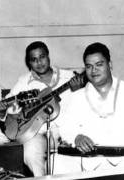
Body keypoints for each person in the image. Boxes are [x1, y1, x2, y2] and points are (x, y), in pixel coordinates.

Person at [52, 42, 124, 174]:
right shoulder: (77, 96)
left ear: (110, 65)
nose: (94, 71)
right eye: (89, 66)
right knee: (55, 162)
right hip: (90, 162)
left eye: (99, 64)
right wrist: (77, 137)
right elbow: (66, 128)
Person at [5, 41, 85, 176]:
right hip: (37, 133)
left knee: (69, 164)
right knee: (30, 152)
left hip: (66, 132)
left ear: (48, 56)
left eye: (42, 57)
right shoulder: (23, 81)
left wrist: (78, 91)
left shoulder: (69, 76)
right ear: (29, 63)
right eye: (34, 59)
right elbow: (11, 109)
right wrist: (11, 110)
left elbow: (83, 107)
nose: (39, 62)